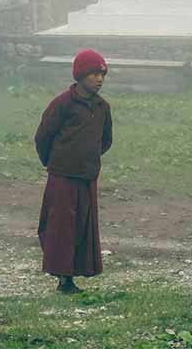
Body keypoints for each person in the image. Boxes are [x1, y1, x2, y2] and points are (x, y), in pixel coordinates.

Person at [34, 49, 112, 294]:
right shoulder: (63, 104)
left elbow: (106, 140)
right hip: (62, 175)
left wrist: (88, 158)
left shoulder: (102, 107)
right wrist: (56, 162)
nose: (99, 79)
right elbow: (43, 137)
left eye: (102, 74)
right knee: (60, 227)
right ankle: (63, 279)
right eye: (93, 74)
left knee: (81, 226)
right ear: (80, 76)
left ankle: (77, 273)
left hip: (87, 175)